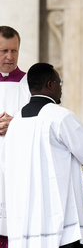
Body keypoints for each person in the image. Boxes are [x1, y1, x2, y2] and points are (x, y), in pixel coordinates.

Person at [0, 63, 83, 248]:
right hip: (58, 222)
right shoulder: (60, 117)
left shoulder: (16, 122)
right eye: (59, 82)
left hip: (25, 222)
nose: (60, 88)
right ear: (50, 84)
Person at [0, 25, 30, 247]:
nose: (10, 57)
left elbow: (46, 123)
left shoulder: (31, 84)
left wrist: (17, 124)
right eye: (3, 51)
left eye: (14, 51)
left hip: (19, 168)